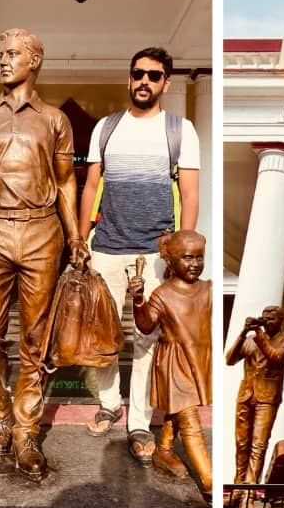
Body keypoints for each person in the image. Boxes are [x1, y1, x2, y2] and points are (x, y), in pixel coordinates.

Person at [0, 28, 87, 482]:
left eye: (13, 54)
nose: (4, 61)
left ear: (35, 60)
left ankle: (26, 429)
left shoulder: (54, 120)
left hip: (41, 231)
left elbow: (67, 180)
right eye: (1, 53)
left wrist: (76, 237)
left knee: (35, 337)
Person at [79, 46, 200, 468]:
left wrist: (179, 247)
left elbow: (189, 193)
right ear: (129, 79)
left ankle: (139, 422)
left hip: (154, 253)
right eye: (138, 74)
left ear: (166, 82)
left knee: (147, 341)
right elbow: (92, 186)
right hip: (106, 246)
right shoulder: (106, 128)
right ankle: (110, 402)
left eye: (153, 75)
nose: (144, 82)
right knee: (104, 335)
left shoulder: (179, 129)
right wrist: (81, 240)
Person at [128, 230, 211, 501]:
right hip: (174, 362)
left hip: (197, 358)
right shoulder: (162, 294)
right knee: (190, 421)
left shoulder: (209, 288)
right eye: (187, 258)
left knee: (179, 410)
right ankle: (211, 483)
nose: (194, 264)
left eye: (199, 257)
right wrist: (138, 300)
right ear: (171, 261)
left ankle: (163, 449)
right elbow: (145, 324)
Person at [224, 305, 284, 508]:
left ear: (280, 320)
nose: (266, 321)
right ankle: (238, 489)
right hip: (246, 395)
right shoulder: (251, 340)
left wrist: (258, 333)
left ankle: (249, 493)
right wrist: (242, 333)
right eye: (264, 318)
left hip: (267, 397)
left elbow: (276, 358)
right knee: (242, 443)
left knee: (258, 445)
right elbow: (229, 360)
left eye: (271, 318)